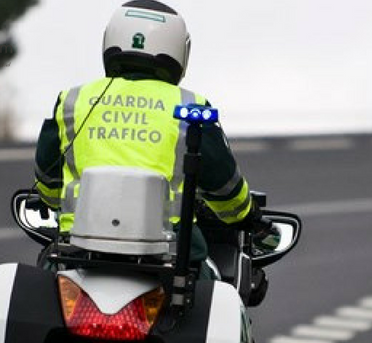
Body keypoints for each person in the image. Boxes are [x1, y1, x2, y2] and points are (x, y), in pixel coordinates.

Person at [31, 0, 278, 275]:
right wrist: (246, 215)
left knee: (43, 277)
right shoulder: (192, 106)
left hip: (76, 248)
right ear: (180, 51)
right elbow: (224, 183)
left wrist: (53, 201)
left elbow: (47, 172)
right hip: (171, 254)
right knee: (218, 293)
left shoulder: (73, 100)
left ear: (110, 40)